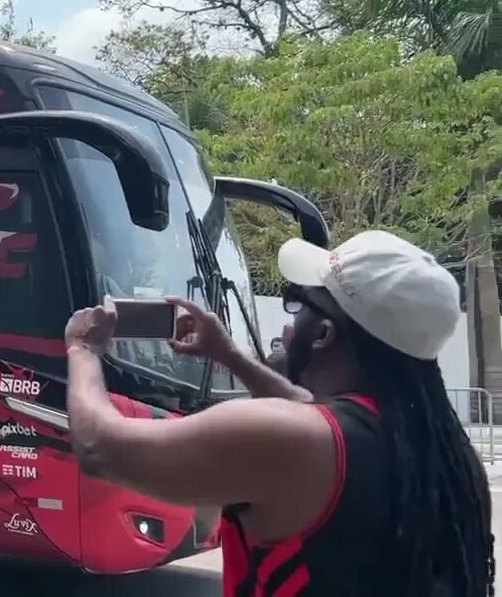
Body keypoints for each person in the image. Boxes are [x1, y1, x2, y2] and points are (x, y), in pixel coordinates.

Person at [63, 230, 494, 596]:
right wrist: (228, 354)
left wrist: (83, 350)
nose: (289, 325)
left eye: (297, 304)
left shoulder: (292, 441)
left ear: (324, 333)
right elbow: (311, 414)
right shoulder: (446, 454)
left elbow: (101, 447)